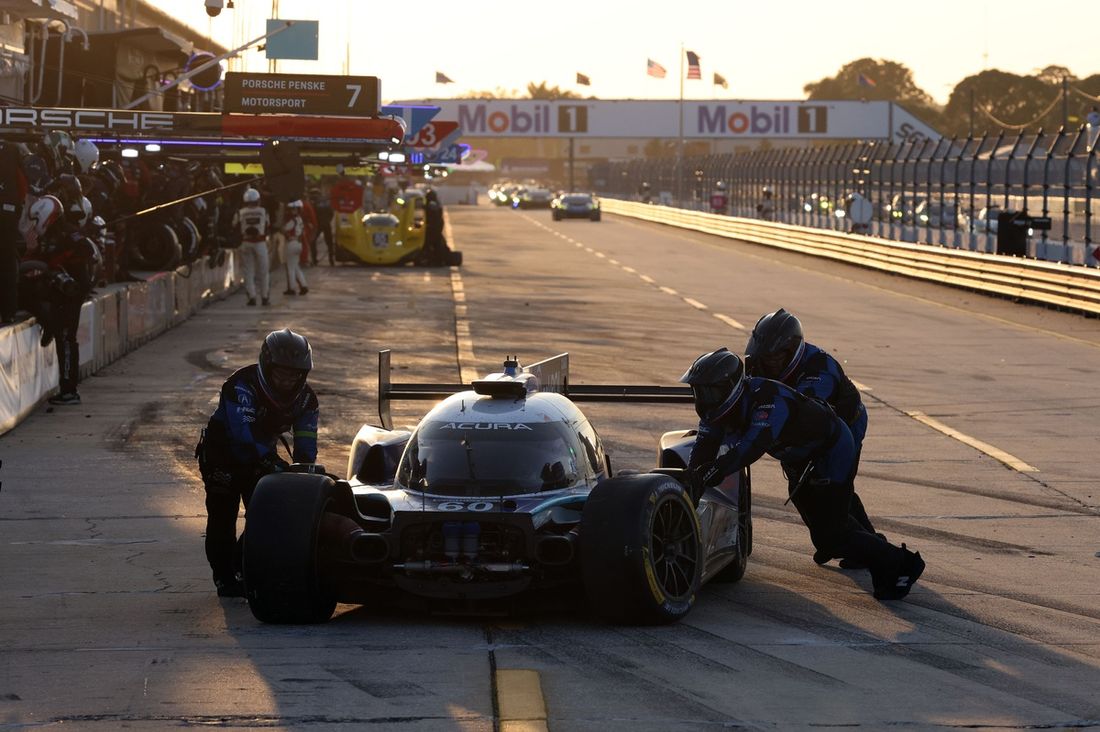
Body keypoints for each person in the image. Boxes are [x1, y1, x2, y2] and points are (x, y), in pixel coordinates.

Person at [680, 348, 924, 600]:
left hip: (832, 450)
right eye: (698, 391)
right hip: (799, 458)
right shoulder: (714, 410)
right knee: (824, 533)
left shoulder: (768, 400)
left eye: (708, 391)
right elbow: (703, 450)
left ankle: (902, 564)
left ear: (729, 386)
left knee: (832, 536)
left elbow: (750, 448)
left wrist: (714, 470)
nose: (703, 399)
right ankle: (868, 544)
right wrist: (691, 478)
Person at [744, 309, 877, 567]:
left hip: (844, 428)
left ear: (791, 351)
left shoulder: (819, 369)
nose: (766, 364)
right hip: (804, 433)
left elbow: (804, 413)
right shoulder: (759, 364)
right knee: (799, 492)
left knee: (833, 491)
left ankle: (868, 544)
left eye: (773, 358)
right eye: (763, 357)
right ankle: (832, 541)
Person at [195, 328, 319, 597]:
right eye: (281, 373)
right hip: (223, 458)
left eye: (294, 374)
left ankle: (244, 566)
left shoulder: (307, 399)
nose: (287, 381)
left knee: (266, 518)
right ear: (267, 366)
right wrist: (273, 464)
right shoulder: (241, 384)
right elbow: (244, 434)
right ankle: (225, 579)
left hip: (260, 459)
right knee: (222, 518)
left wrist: (305, 474)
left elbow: (306, 445)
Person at [231, 188, 270, 306]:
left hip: (246, 242)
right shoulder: (264, 211)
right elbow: (268, 225)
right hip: (260, 242)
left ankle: (252, 297)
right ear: (258, 200)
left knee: (248, 271)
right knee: (264, 271)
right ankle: (264, 297)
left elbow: (234, 225)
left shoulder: (240, 212)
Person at [282, 200, 308, 296]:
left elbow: (284, 229)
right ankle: (304, 285)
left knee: (290, 268)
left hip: (291, 243)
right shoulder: (300, 219)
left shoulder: (292, 221)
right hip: (298, 243)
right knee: (296, 267)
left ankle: (291, 288)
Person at [309, 188, 335, 266]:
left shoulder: (313, 203)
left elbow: (312, 214)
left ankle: (314, 259)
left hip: (318, 224)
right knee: (329, 243)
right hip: (326, 224)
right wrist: (328, 220)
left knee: (313, 241)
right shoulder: (326, 202)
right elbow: (331, 213)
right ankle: (331, 260)